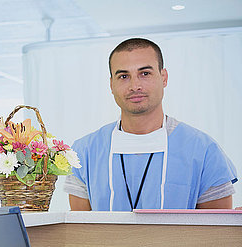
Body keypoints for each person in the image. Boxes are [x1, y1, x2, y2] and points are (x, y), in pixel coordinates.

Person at [64, 38, 237, 211]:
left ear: (164, 78)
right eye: (124, 76)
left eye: (145, 73)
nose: (135, 86)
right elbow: (80, 231)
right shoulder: (84, 152)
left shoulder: (204, 150)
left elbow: (216, 232)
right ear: (111, 84)